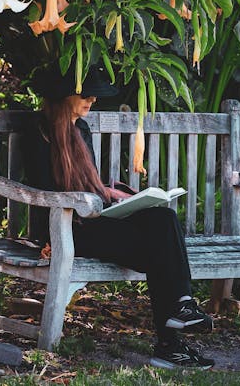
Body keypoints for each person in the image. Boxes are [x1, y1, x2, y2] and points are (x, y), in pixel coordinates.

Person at [22, 63, 215, 370]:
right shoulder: (38, 131)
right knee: (159, 249)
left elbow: (91, 183)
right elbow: (44, 189)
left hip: (92, 221)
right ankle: (170, 346)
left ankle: (182, 308)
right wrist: (90, 201)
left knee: (162, 219)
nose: (93, 100)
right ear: (62, 93)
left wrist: (122, 197)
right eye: (86, 94)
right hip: (64, 228)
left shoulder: (80, 128)